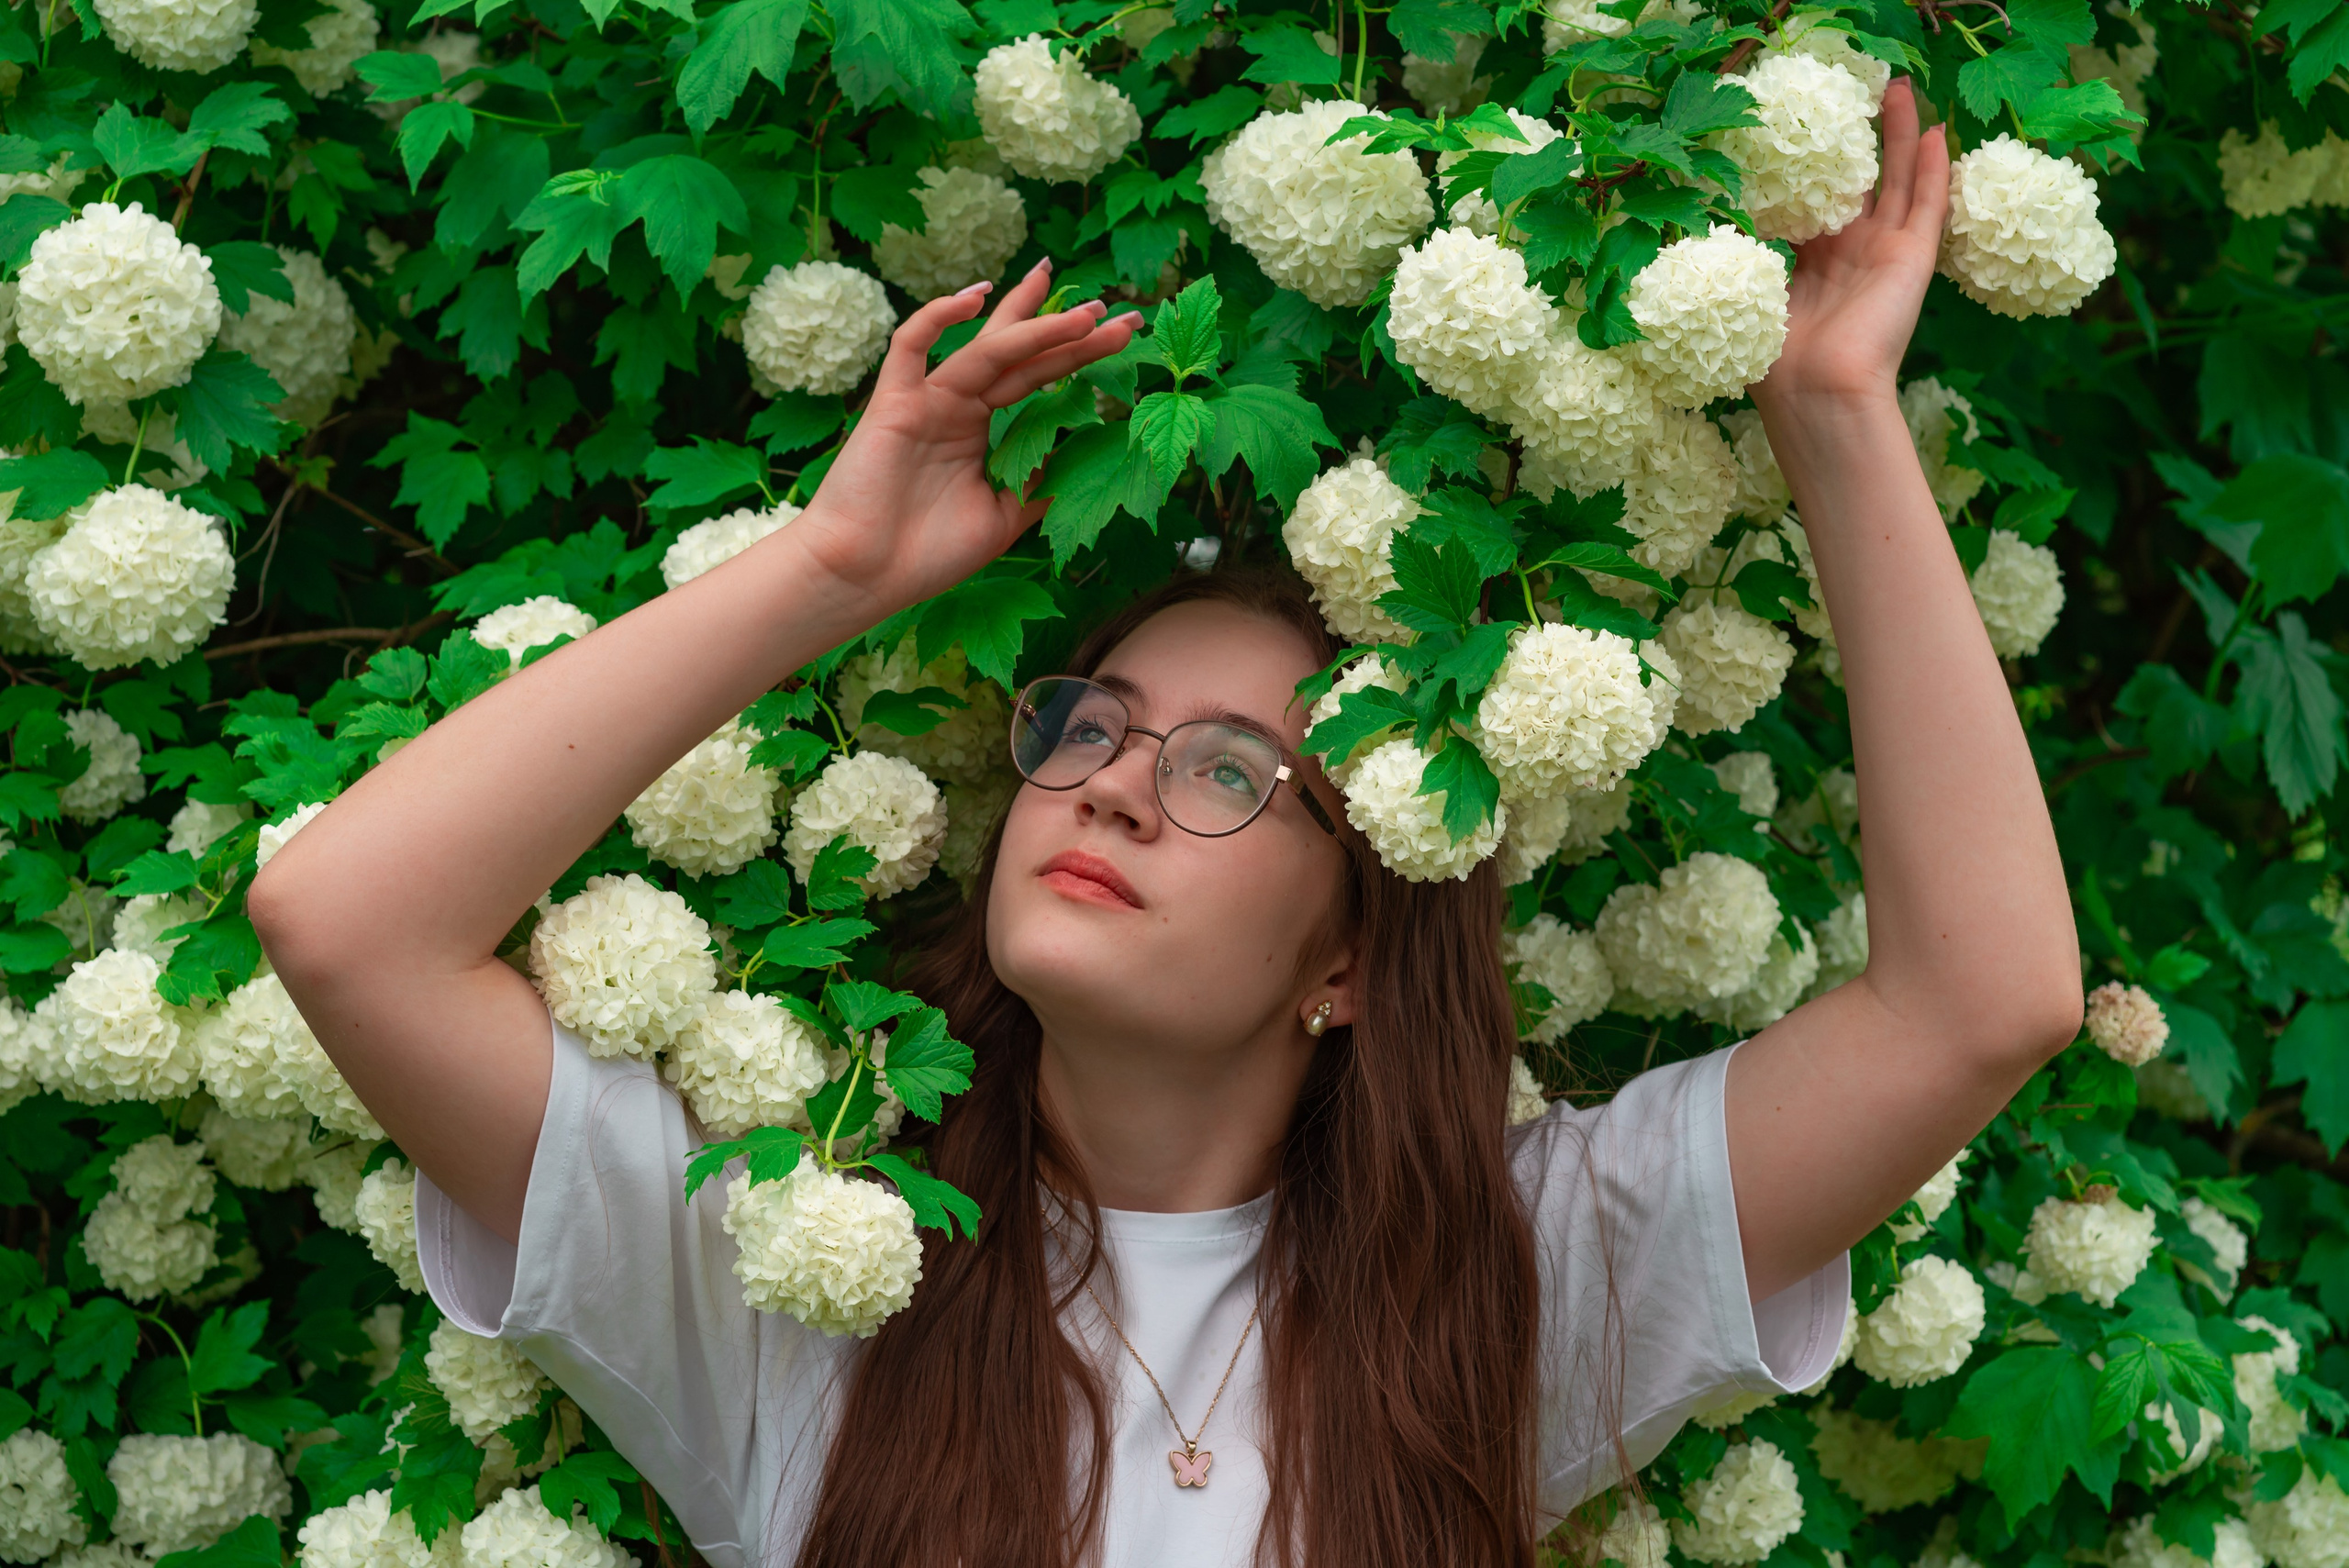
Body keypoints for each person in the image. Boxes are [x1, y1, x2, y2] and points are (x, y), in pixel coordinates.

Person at [250, 84, 2082, 1568]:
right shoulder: (792, 1261)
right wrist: (832, 566)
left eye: (1223, 773)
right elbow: (347, 924)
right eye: (1090, 726)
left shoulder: (1512, 1294)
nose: (1115, 779)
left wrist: (1832, 414)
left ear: (1352, 959)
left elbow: (1973, 1005)